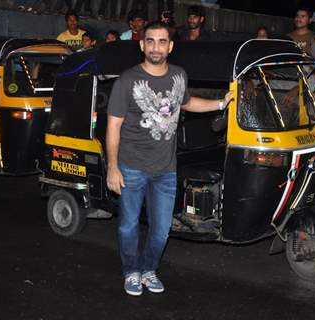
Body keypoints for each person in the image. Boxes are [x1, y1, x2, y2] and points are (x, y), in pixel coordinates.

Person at [106, 21, 232, 296]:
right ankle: (131, 271)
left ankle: (149, 269)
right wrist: (112, 168)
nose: (156, 47)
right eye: (150, 41)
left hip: (166, 169)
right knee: (128, 226)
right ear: (142, 44)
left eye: (162, 41)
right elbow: (113, 125)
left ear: (170, 46)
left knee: (161, 230)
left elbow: (186, 103)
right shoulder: (128, 80)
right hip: (131, 167)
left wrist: (221, 103)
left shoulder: (179, 74)